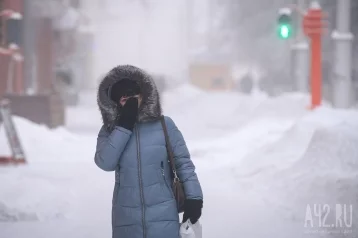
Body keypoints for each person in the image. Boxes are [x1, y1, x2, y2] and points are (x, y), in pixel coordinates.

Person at [94, 65, 203, 238]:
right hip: (126, 221)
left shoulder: (164, 125)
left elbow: (184, 164)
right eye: (122, 95)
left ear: (143, 94)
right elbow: (105, 162)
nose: (127, 98)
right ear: (114, 100)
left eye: (131, 93)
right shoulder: (110, 130)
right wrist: (124, 126)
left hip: (164, 218)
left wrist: (194, 200)